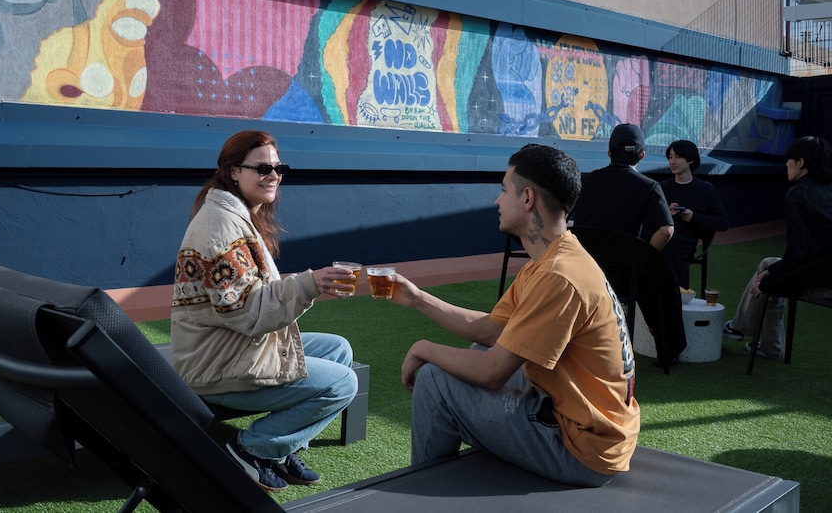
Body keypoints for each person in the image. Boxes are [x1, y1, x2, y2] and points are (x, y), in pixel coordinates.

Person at [390, 143, 639, 487]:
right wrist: (418, 299)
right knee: (480, 350)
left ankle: (422, 492)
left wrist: (423, 349)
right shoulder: (555, 258)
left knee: (435, 381)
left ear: (527, 198)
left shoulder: (558, 276)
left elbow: (492, 374)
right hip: (593, 424)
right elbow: (489, 330)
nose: (497, 200)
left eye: (504, 190)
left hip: (581, 449)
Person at [171, 130, 359, 492]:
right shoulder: (220, 227)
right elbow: (246, 314)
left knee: (338, 348)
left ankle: (283, 448)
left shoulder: (237, 215)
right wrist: (309, 284)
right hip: (214, 365)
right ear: (233, 171)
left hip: (230, 347)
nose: (273, 175)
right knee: (343, 383)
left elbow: (247, 301)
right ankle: (252, 448)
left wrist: (308, 285)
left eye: (278, 168)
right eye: (262, 168)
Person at [723, 136, 832, 359]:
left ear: (800, 163)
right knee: (768, 266)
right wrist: (771, 272)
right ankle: (766, 343)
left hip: (819, 280)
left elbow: (797, 255)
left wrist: (769, 278)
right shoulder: (831, 191)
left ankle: (743, 328)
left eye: (789, 160)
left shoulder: (798, 195)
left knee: (768, 276)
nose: (786, 164)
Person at [571, 123, 686, 365]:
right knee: (665, 281)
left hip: (582, 270)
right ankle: (668, 351)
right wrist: (643, 257)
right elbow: (666, 230)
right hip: (624, 276)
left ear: (609, 152)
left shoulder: (584, 182)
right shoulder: (649, 186)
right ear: (642, 155)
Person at [659, 139, 729, 290]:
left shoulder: (705, 190)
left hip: (684, 244)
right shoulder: (661, 188)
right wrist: (667, 214)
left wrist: (693, 217)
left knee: (671, 254)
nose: (672, 161)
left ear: (690, 160)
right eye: (670, 157)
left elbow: (722, 223)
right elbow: (648, 219)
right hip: (663, 240)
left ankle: (677, 294)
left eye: (677, 157)